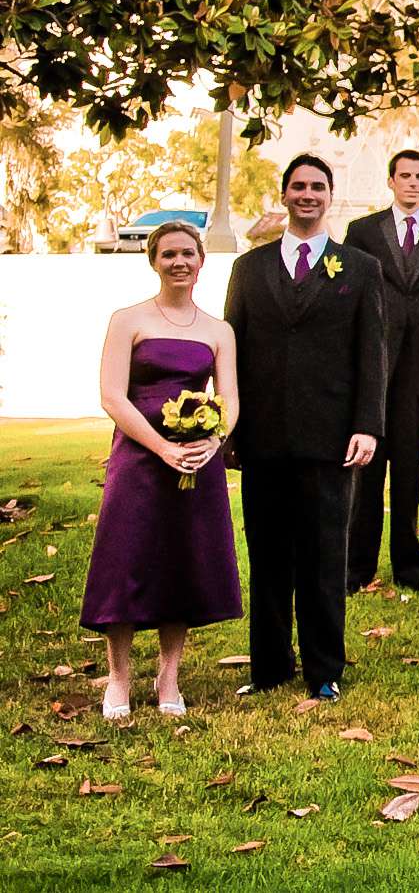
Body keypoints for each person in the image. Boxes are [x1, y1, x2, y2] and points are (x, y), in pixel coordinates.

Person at [223, 154, 386, 701]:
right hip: (263, 436)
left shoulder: (360, 269)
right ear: (285, 194)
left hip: (331, 437)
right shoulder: (249, 269)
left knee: (322, 556)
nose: (307, 195)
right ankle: (268, 667)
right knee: (268, 554)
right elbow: (232, 352)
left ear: (330, 195)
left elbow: (373, 354)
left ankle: (324, 671)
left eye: (317, 186)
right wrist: (228, 428)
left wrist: (367, 425)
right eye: (298, 186)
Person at [81, 221, 242, 717]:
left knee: (183, 562)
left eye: (187, 254)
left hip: (195, 463)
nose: (179, 262)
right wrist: (159, 446)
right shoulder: (128, 319)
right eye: (168, 254)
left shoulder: (218, 330)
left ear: (201, 262)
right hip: (138, 458)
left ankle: (168, 677)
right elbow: (112, 394)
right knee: (125, 561)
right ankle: (118, 679)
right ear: (154, 261)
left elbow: (230, 399)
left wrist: (212, 442)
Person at [344, 149, 419, 595]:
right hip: (372, 367)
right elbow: (349, 295)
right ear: (391, 181)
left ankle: (411, 571)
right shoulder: (362, 232)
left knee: (409, 471)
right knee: (367, 470)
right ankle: (357, 570)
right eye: (405, 176)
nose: (412, 183)